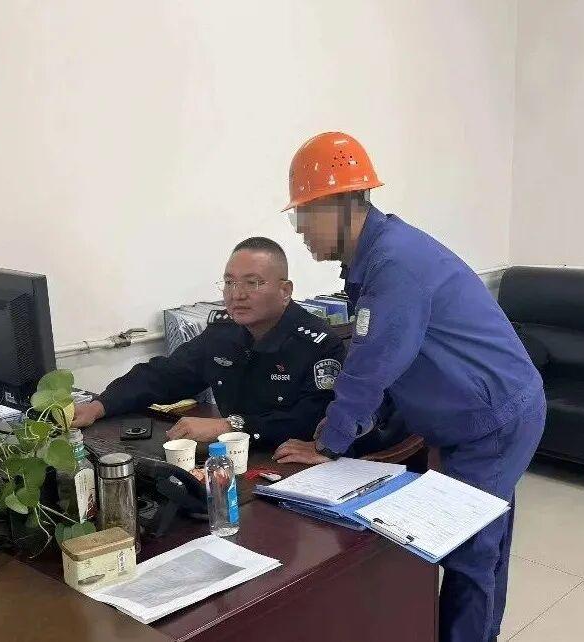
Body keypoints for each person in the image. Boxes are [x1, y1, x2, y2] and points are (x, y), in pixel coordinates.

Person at [272, 133, 546, 642]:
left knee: (470, 552)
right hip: (480, 412)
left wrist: (328, 445)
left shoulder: (393, 264)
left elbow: (370, 367)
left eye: (305, 215)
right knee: (485, 538)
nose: (302, 230)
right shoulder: (374, 257)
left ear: (342, 205)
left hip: (493, 420)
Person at [72, 237, 345, 450]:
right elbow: (164, 375)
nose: (237, 295)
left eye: (252, 283)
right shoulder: (224, 333)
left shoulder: (318, 343)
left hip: (294, 462)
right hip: (233, 456)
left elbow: (313, 418)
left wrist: (229, 427)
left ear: (285, 291)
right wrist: (100, 405)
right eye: (229, 282)